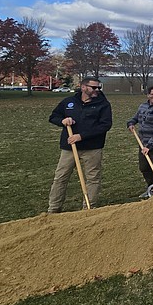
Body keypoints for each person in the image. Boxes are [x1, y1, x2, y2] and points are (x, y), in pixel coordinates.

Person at [47, 77, 112, 212]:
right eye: (93, 87)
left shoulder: (103, 104)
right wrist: (63, 121)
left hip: (93, 147)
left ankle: (89, 207)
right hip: (70, 148)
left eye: (98, 88)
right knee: (60, 177)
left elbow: (105, 125)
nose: (97, 90)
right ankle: (54, 208)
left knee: (93, 178)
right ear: (83, 87)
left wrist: (81, 136)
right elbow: (53, 117)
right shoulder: (69, 102)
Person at [127, 86, 153, 198]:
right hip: (143, 143)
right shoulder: (143, 106)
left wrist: (149, 146)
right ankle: (151, 188)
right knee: (144, 167)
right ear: (148, 95)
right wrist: (131, 123)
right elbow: (135, 118)